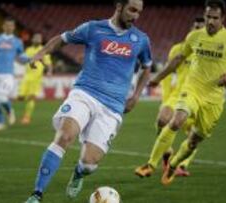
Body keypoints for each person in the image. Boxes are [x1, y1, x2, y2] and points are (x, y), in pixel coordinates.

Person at [24, 0, 153, 202]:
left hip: (113, 107)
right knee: (64, 136)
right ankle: (36, 194)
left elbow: (147, 67)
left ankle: (78, 173)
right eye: (132, 10)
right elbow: (62, 38)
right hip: (85, 93)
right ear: (119, 6)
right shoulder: (93, 28)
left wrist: (136, 95)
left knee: (89, 164)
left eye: (139, 12)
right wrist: (41, 53)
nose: (136, 15)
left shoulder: (141, 39)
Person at [144, 0, 226, 186]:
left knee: (194, 140)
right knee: (172, 120)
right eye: (208, 17)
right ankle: (153, 162)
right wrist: (158, 79)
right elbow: (177, 60)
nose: (210, 21)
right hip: (190, 91)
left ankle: (175, 164)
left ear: (222, 18)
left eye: (215, 18)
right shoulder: (193, 38)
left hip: (213, 99)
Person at [135, 16, 205, 178]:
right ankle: (165, 153)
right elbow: (168, 73)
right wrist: (166, 99)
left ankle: (181, 164)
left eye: (200, 28)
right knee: (162, 119)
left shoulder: (210, 54)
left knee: (193, 136)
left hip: (199, 98)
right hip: (178, 95)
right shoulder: (178, 50)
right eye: (195, 27)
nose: (197, 30)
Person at [18, 33, 54, 125]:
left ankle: (27, 117)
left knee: (31, 97)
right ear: (32, 39)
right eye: (36, 38)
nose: (38, 40)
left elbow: (48, 63)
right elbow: (22, 61)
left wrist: (49, 71)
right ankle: (24, 113)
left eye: (39, 38)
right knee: (20, 97)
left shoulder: (43, 50)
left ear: (41, 40)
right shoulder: (28, 49)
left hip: (36, 78)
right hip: (26, 77)